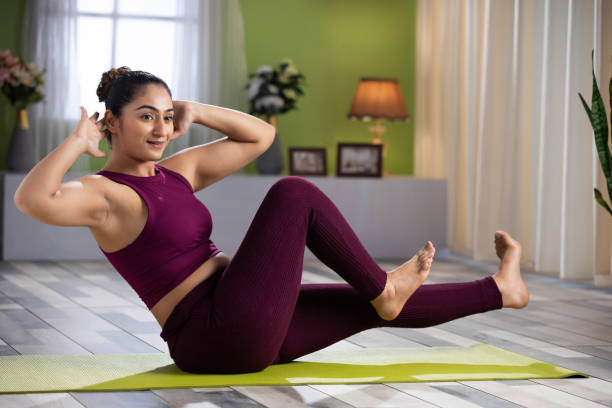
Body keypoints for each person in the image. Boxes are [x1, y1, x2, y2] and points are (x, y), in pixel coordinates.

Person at [14, 67, 530, 374]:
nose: (160, 127)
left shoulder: (175, 173)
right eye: (146, 115)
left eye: (166, 116)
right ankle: (385, 288)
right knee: (293, 192)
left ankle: (502, 290)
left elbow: (260, 136)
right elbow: (33, 200)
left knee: (370, 305)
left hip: (243, 318)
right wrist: (77, 143)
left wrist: (195, 109)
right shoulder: (108, 195)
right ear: (114, 123)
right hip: (214, 331)